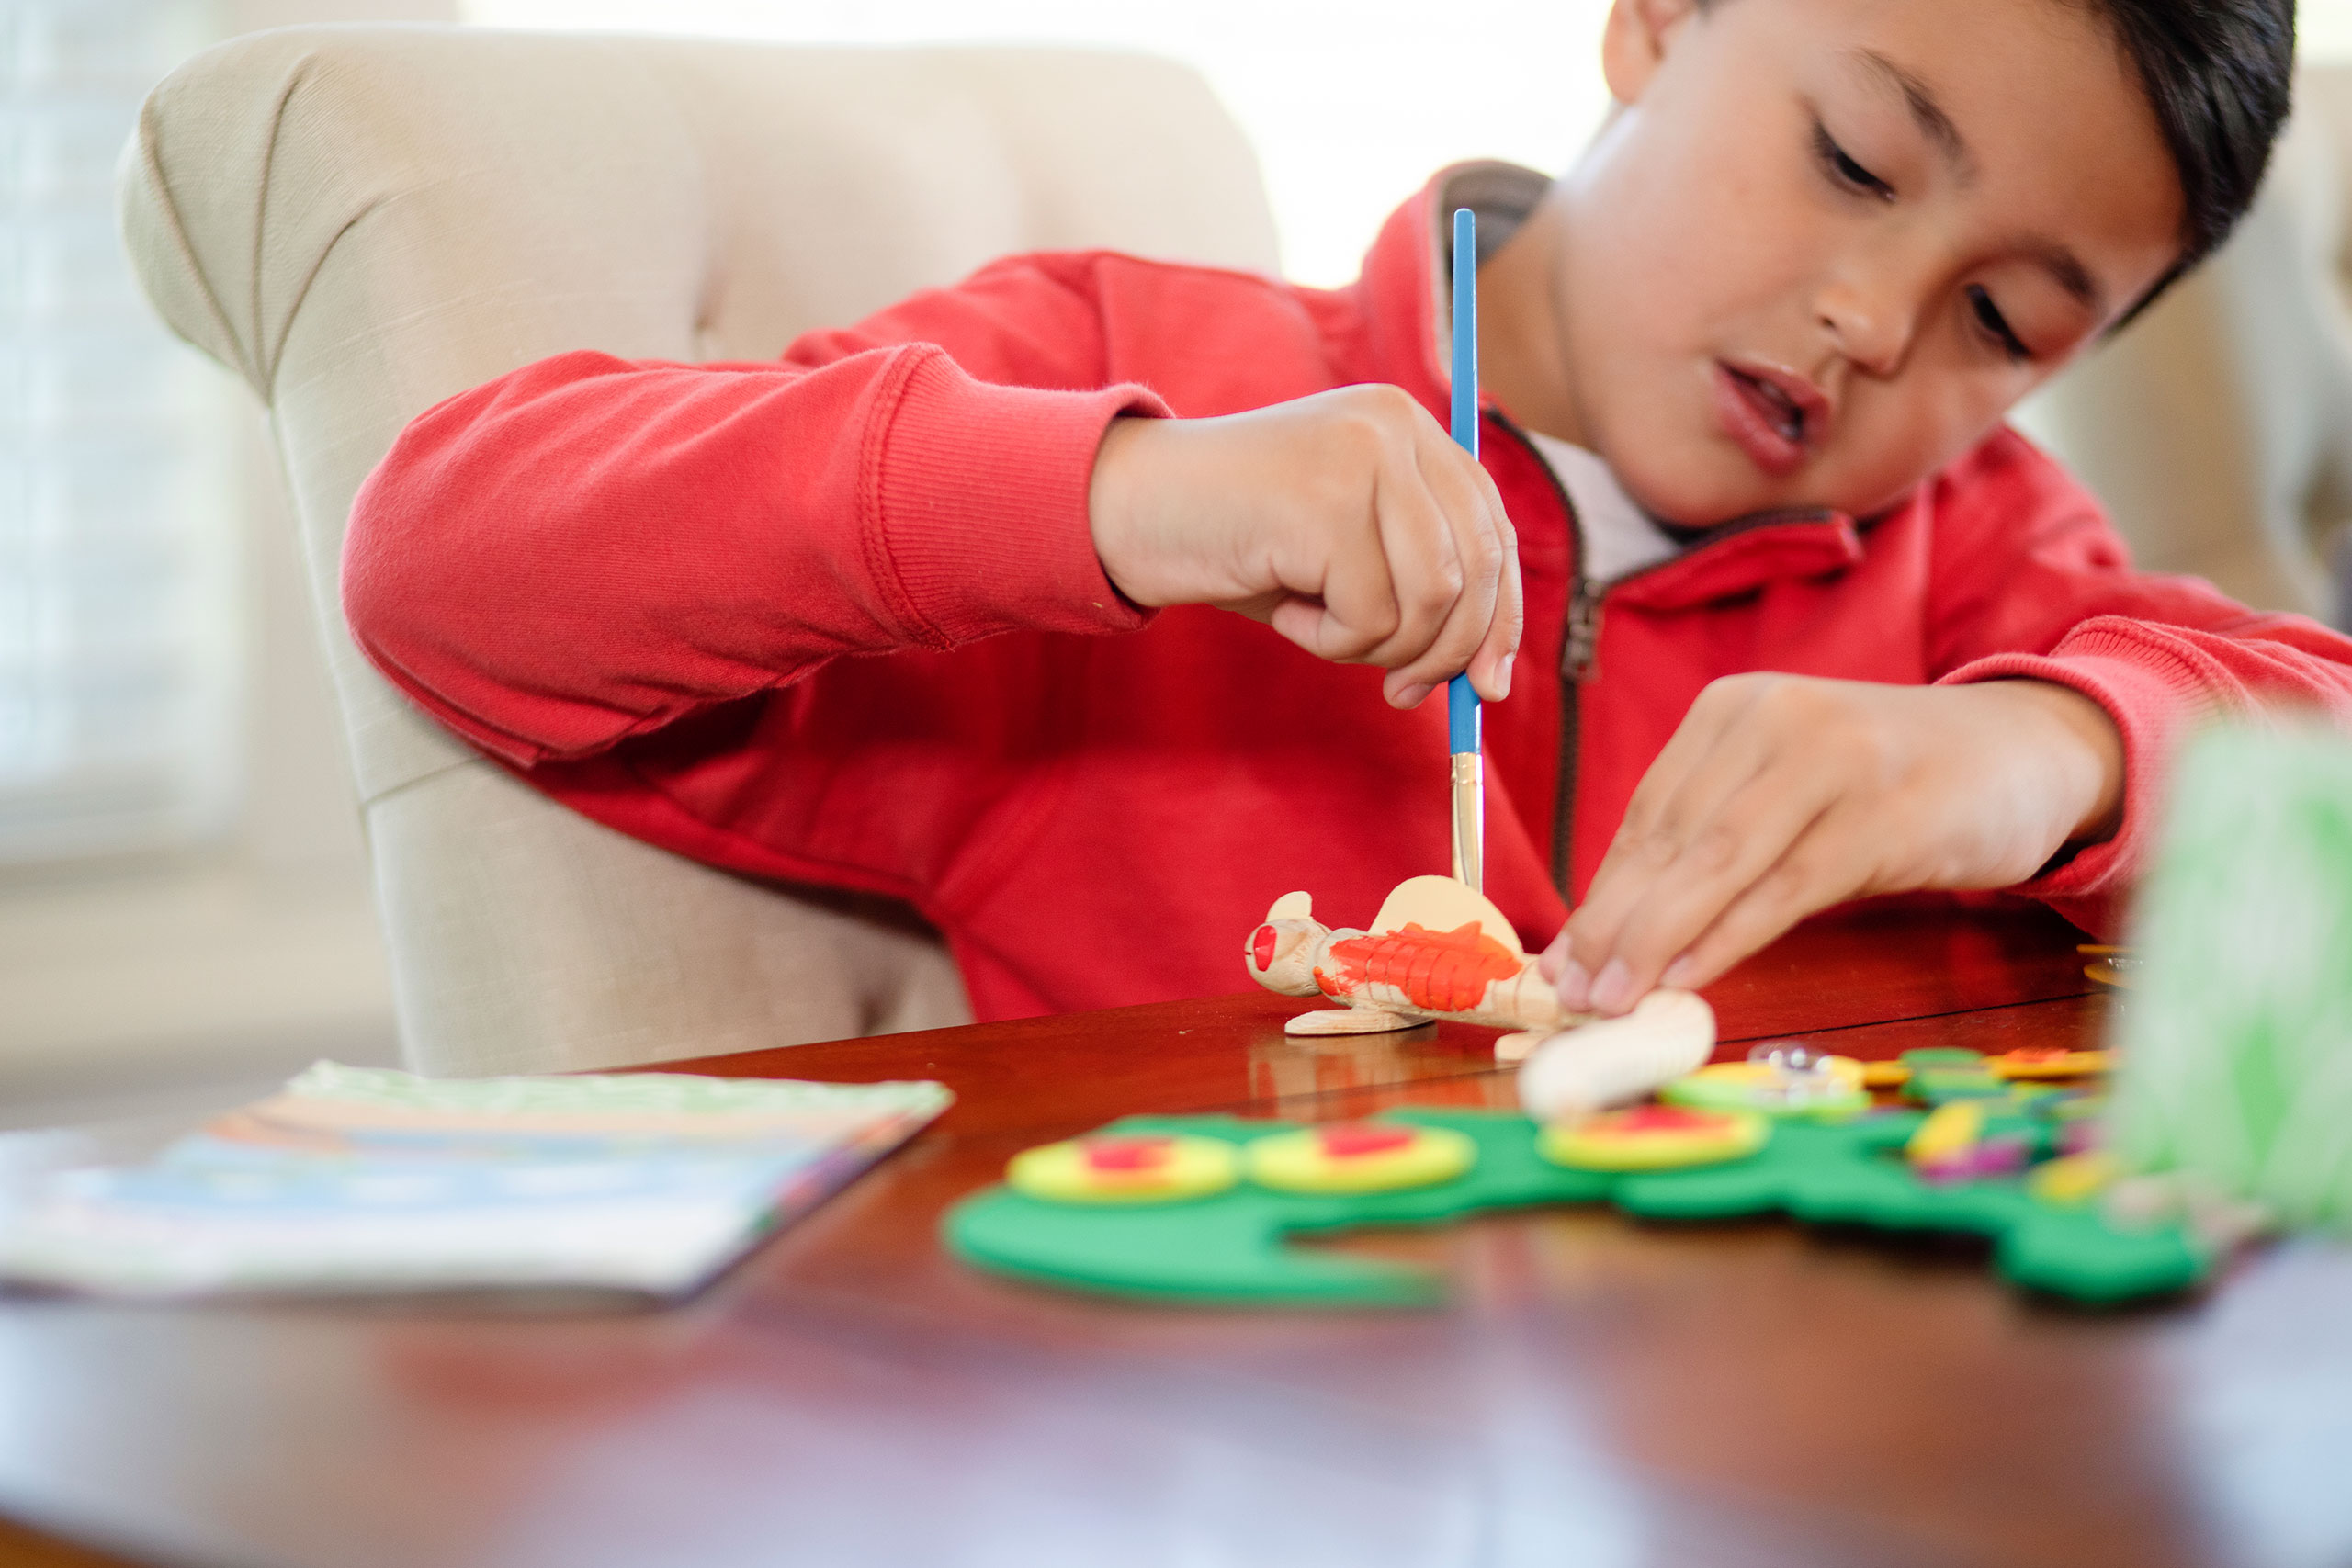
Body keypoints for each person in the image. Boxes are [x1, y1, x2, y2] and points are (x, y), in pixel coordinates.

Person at [343, 0, 2352, 1024]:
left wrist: (2051, 745)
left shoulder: (1972, 559)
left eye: (2000, 319)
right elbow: (444, 554)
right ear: (1655, 12)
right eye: (1845, 159)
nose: (1870, 318)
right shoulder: (1143, 387)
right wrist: (1110, 496)